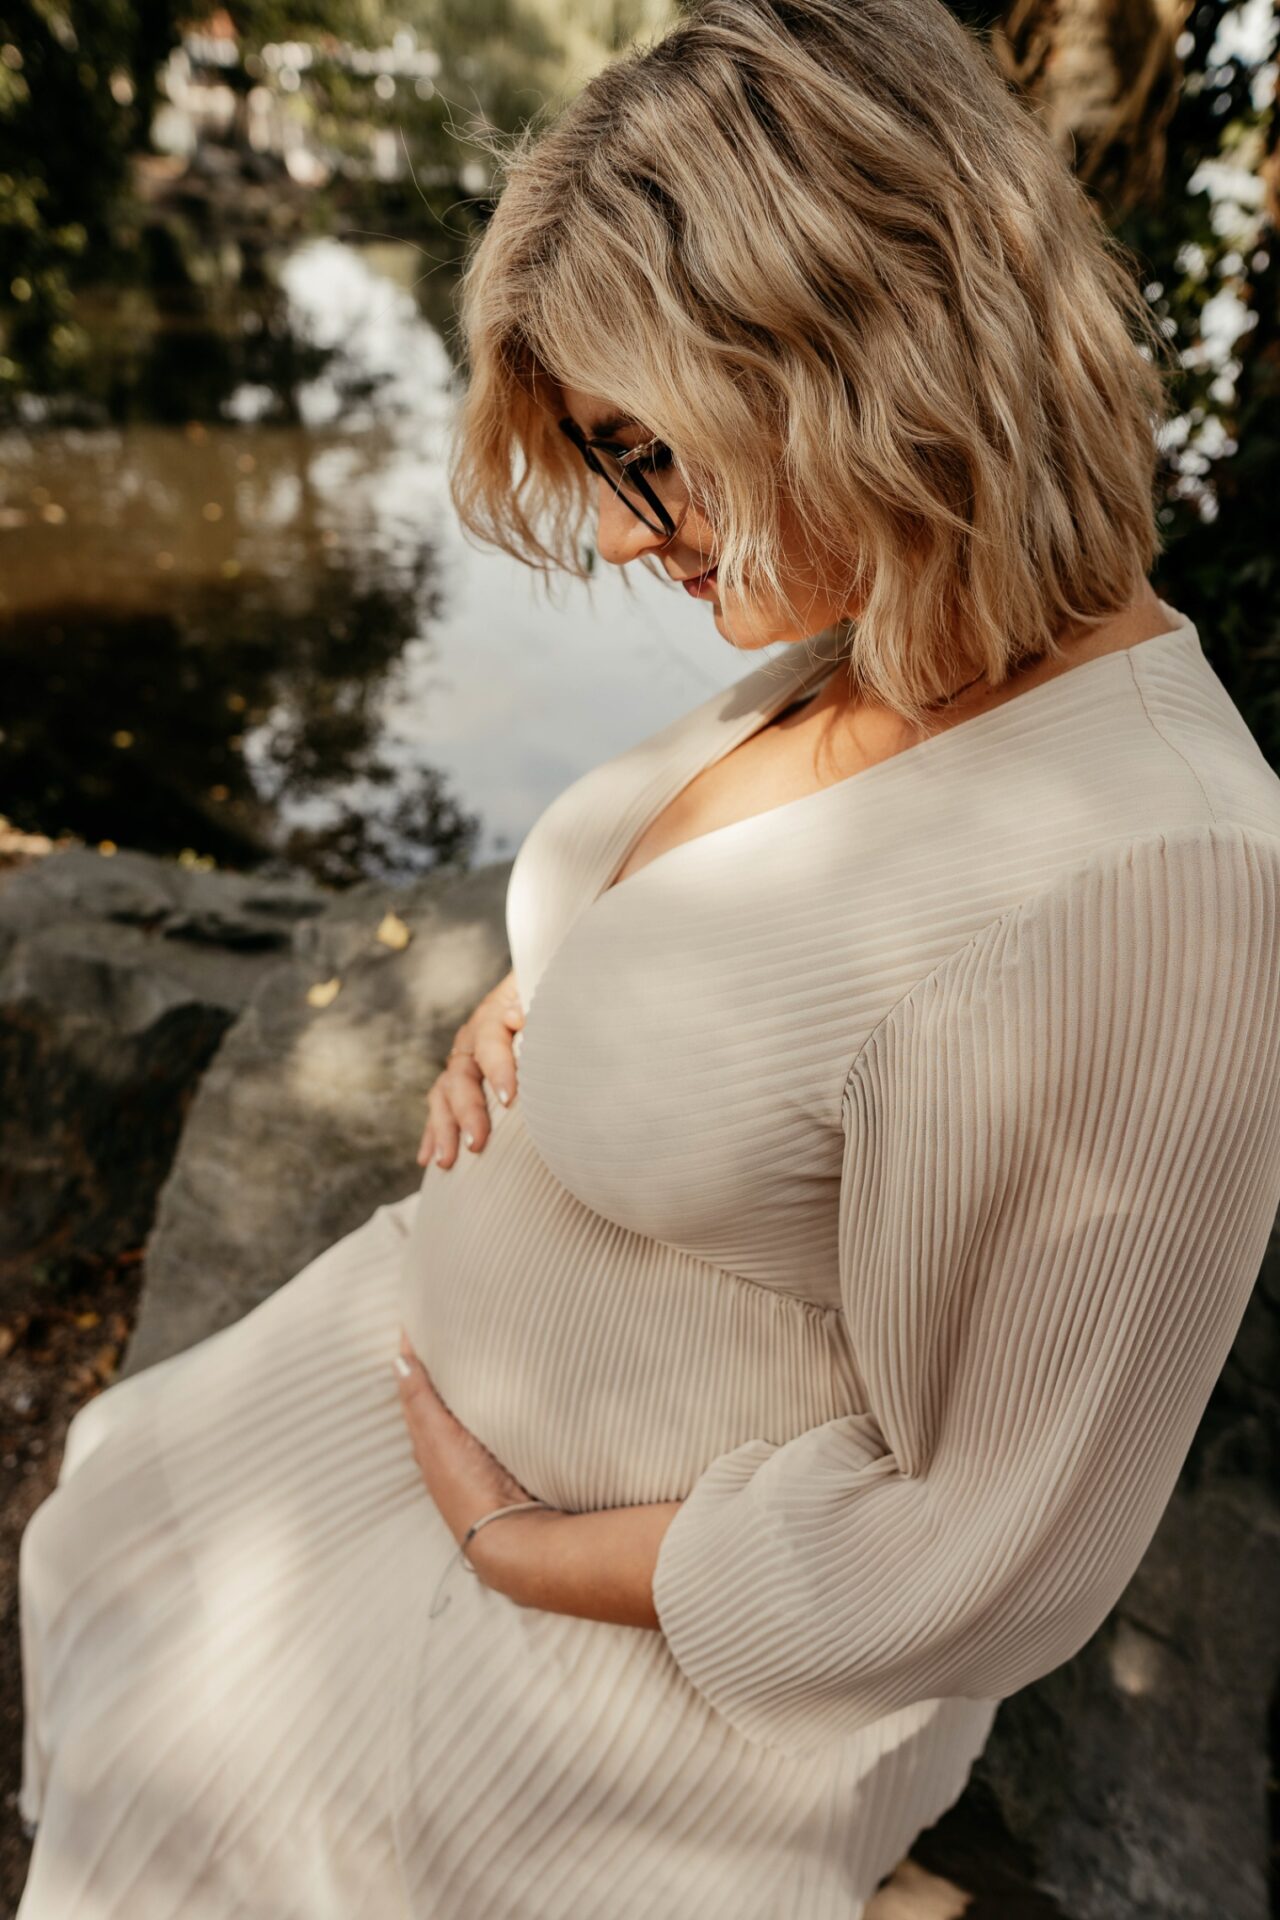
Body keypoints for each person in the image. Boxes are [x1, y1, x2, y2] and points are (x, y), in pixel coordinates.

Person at [16, 0, 1280, 1914]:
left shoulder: (1158, 876)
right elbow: (802, 969)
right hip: (402, 1383)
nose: (624, 542)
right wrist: (556, 990)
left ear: (875, 362)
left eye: (641, 456)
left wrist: (540, 1555)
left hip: (630, 1644)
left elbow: (999, 1548)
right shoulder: (890, 641)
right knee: (111, 1556)